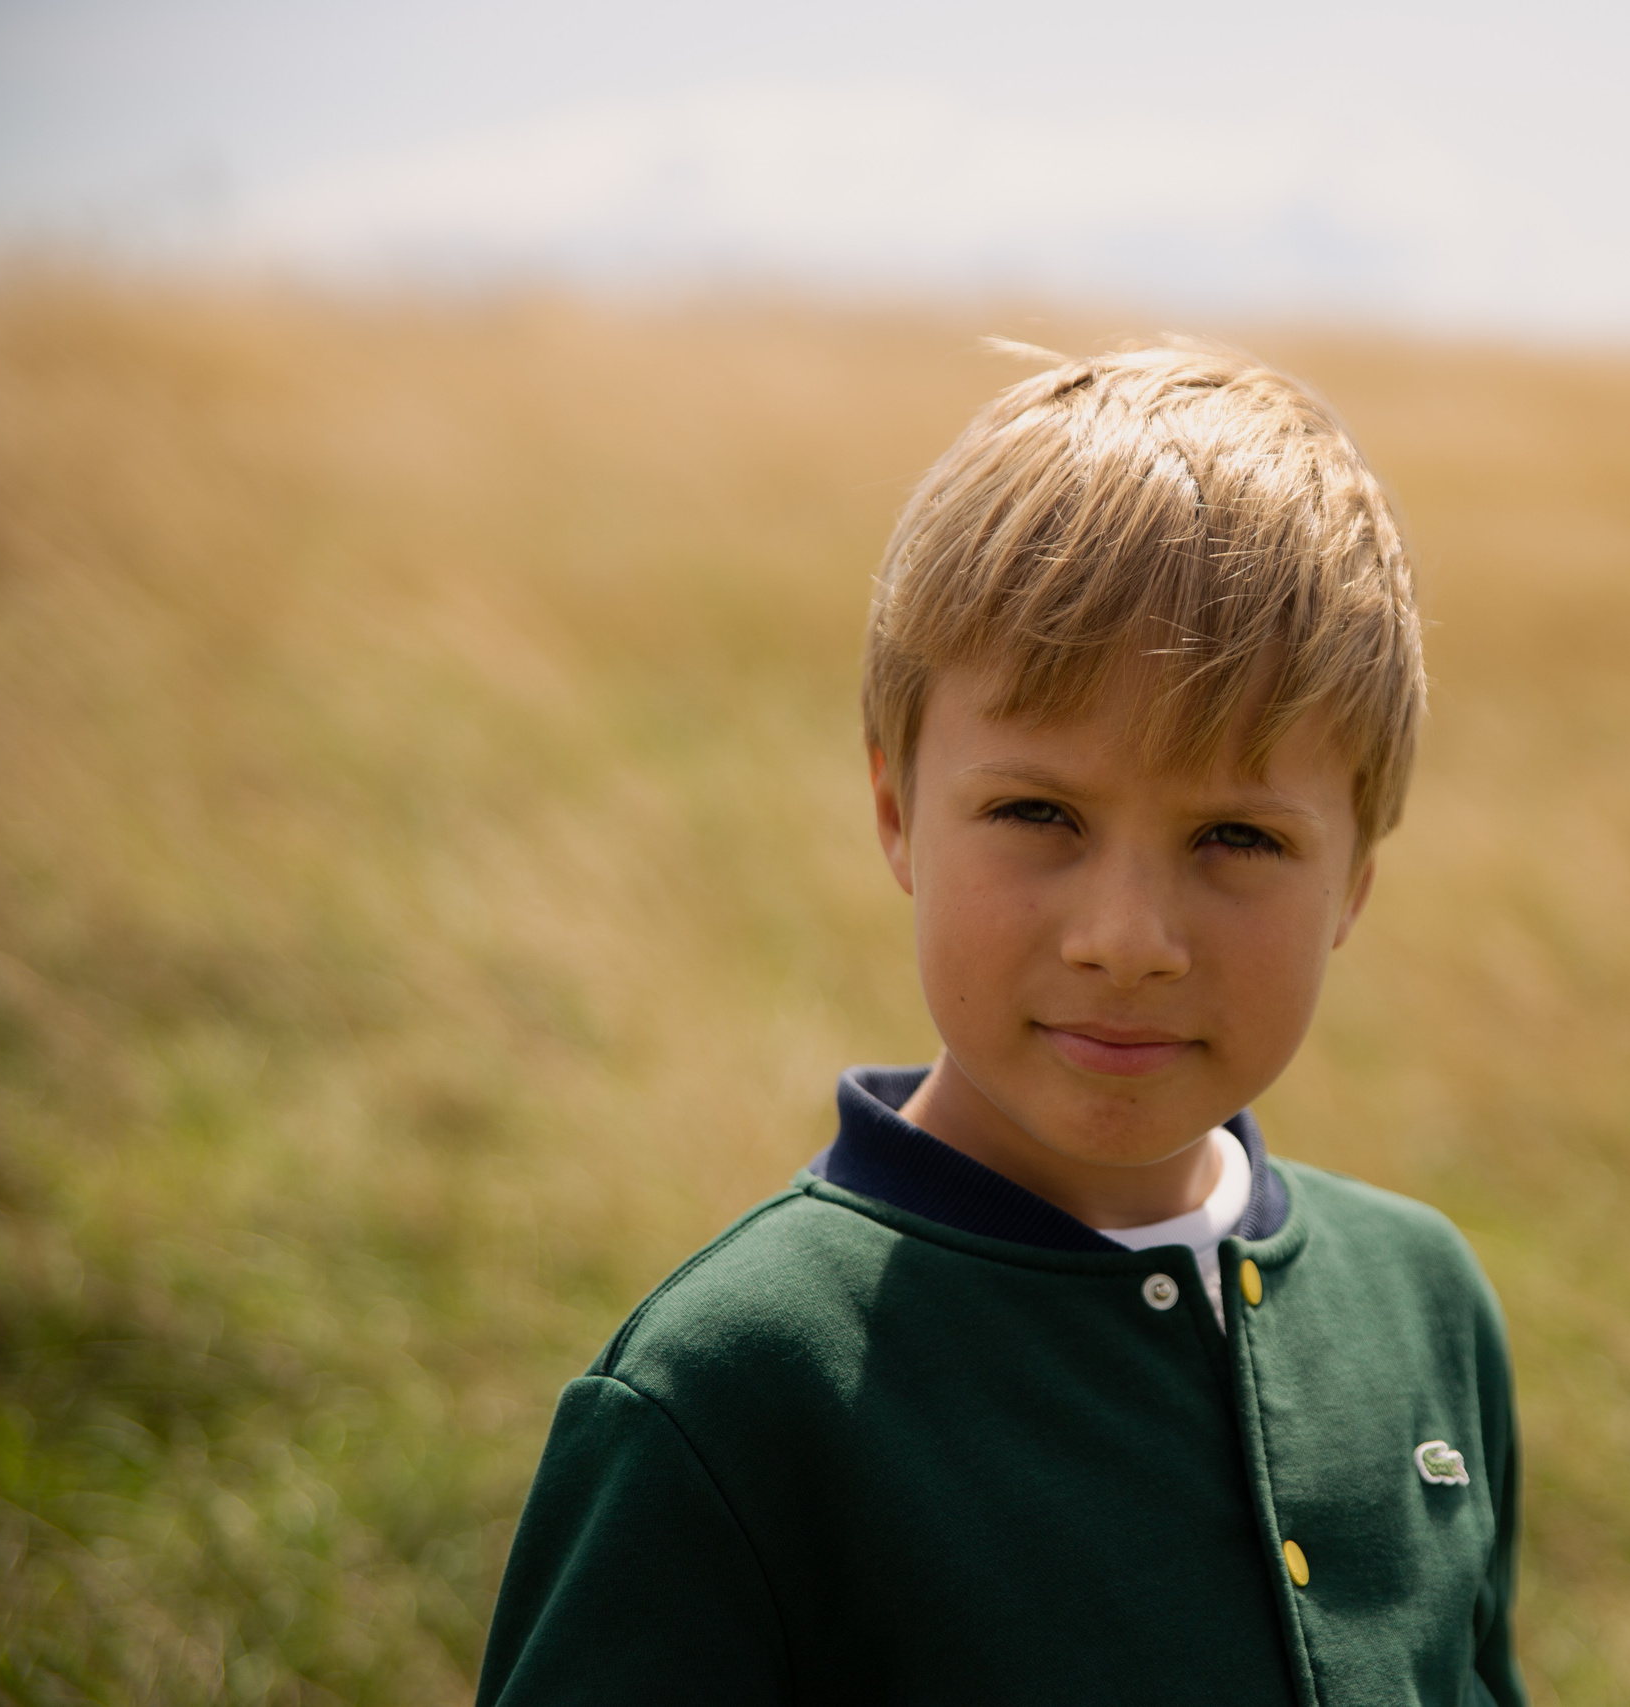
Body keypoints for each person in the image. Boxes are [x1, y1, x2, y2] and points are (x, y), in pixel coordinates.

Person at [475, 341, 1525, 1707]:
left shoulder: (1422, 1300)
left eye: (1236, 836)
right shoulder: (732, 1389)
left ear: (1357, 880)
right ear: (897, 809)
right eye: (1040, 815)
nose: (1128, 941)